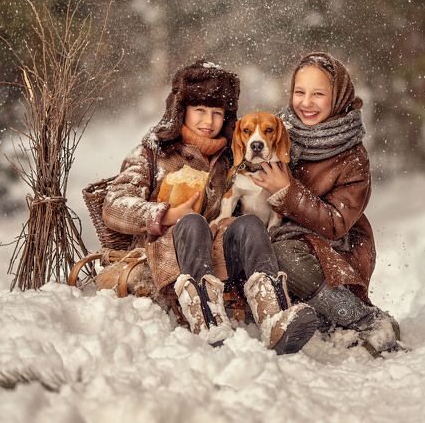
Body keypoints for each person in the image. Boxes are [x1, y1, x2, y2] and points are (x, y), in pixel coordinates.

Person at [101, 60, 318, 354]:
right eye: (200, 111)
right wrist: (166, 214)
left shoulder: (231, 160)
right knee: (191, 223)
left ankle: (273, 317)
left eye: (217, 113)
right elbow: (113, 205)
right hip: (165, 252)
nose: (208, 121)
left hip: (217, 254)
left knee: (250, 225)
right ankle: (207, 318)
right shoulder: (154, 152)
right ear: (182, 111)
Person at [251, 52, 400, 355]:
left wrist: (287, 191)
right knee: (254, 241)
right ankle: (324, 322)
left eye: (318, 94)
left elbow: (335, 223)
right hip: (286, 234)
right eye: (299, 92)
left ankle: (364, 318)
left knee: (281, 253)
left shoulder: (352, 156)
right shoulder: (278, 134)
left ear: (338, 96)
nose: (306, 103)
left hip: (336, 245)